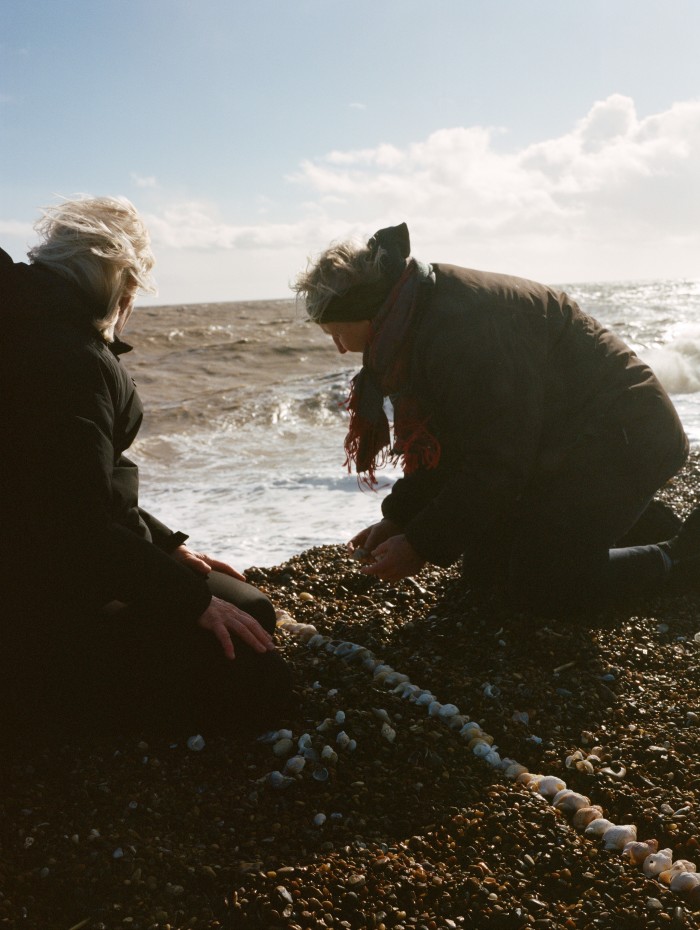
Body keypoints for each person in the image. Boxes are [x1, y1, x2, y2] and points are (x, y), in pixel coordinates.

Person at [294, 221, 700, 615]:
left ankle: (681, 555)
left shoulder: (459, 330)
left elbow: (498, 460)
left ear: (365, 311)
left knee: (539, 585)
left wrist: (419, 543)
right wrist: (401, 517)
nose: (340, 349)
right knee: (485, 575)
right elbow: (449, 442)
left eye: (336, 331)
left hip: (629, 437)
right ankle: (636, 520)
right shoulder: (415, 312)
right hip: (563, 441)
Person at [0, 196, 292, 736]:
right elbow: (70, 527)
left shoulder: (30, 323)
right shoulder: (66, 360)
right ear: (122, 283)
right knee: (256, 673)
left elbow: (69, 484)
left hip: (40, 567)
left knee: (249, 608)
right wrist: (187, 601)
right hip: (37, 601)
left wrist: (163, 544)